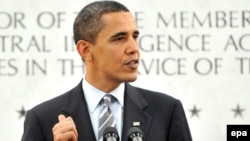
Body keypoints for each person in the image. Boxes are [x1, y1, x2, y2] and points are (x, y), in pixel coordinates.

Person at [21, 1, 192, 141]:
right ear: (85, 50)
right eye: (119, 38)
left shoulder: (167, 111)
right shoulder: (42, 119)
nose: (134, 48)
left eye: (135, 37)